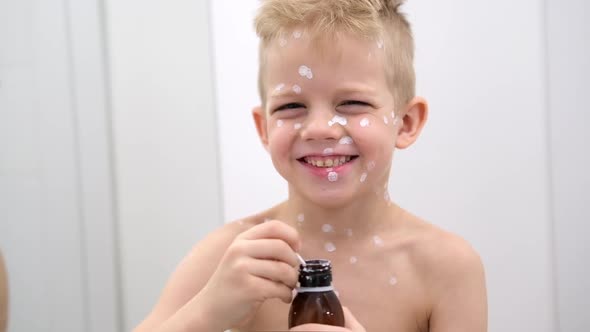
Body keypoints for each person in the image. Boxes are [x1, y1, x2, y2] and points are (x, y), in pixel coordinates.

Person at [135, 0, 487, 331]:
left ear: (406, 122)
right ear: (264, 128)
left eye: (352, 102)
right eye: (291, 107)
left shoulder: (446, 268)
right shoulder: (231, 256)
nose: (320, 128)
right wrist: (207, 312)